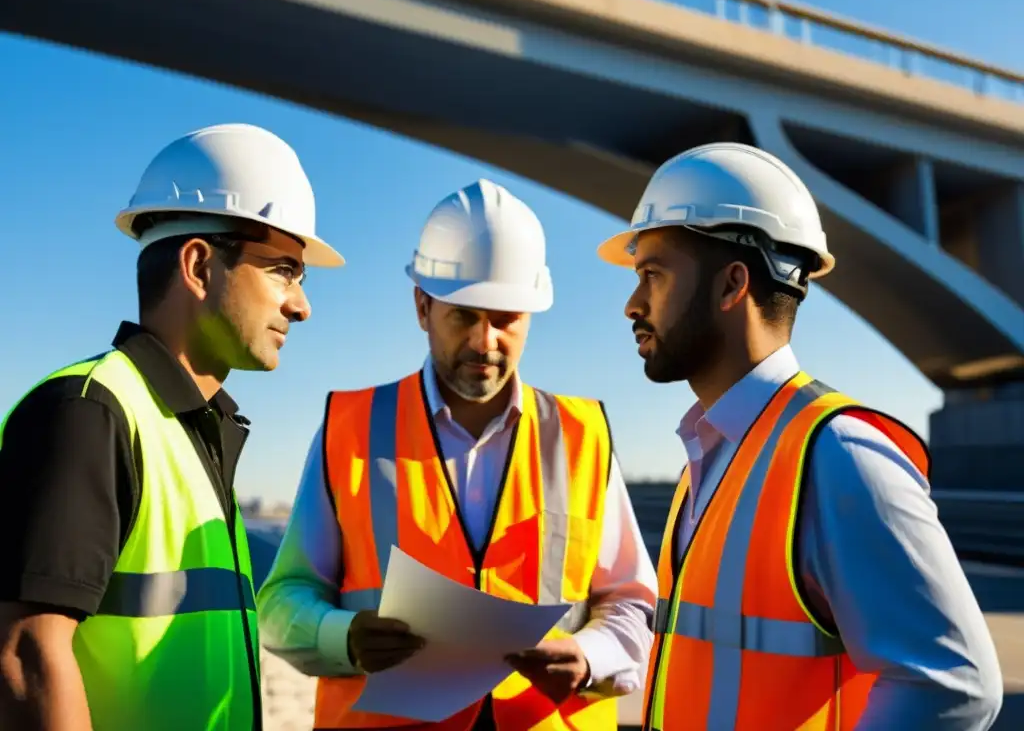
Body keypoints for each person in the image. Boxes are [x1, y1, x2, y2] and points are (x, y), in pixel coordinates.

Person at [597, 142, 1004, 730]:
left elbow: (956, 683)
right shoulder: (711, 457)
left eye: (652, 275)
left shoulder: (837, 456)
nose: (633, 304)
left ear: (732, 285)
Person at [257, 178, 657, 730]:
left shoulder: (582, 436)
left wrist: (591, 657)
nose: (486, 340)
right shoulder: (351, 429)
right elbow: (282, 604)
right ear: (422, 306)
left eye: (506, 318)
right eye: (464, 315)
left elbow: (632, 605)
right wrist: (342, 637)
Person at [0, 123, 343, 731]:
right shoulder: (88, 412)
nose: (301, 305)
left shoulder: (196, 431)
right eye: (283, 270)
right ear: (198, 265)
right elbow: (27, 656)